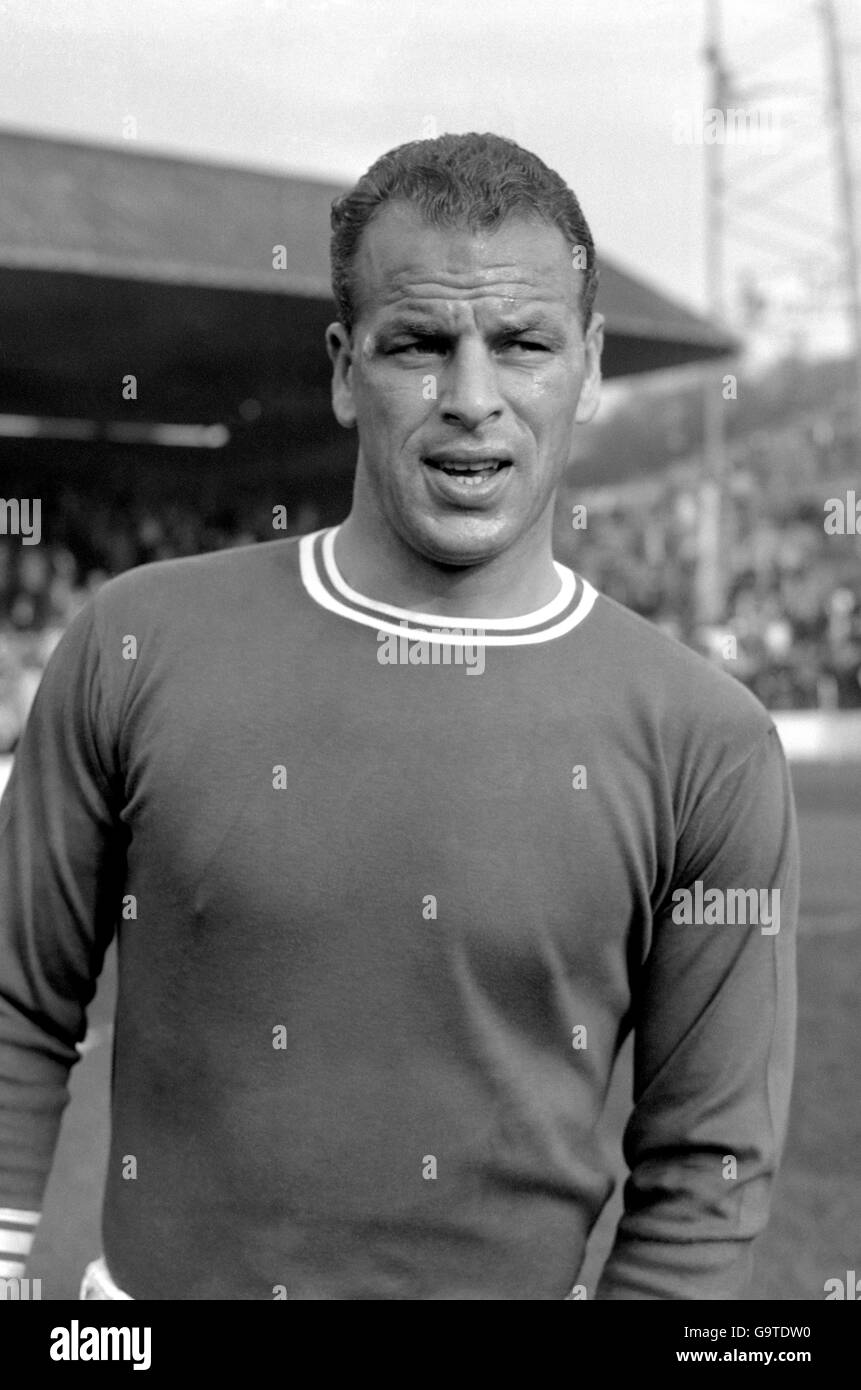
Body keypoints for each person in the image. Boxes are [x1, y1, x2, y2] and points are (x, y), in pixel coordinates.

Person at [0, 132, 798, 1300]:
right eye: (420, 344)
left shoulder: (707, 741)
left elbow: (710, 1164)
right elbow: (17, 1000)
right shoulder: (135, 642)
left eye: (522, 344)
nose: (472, 400)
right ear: (341, 366)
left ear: (587, 363)